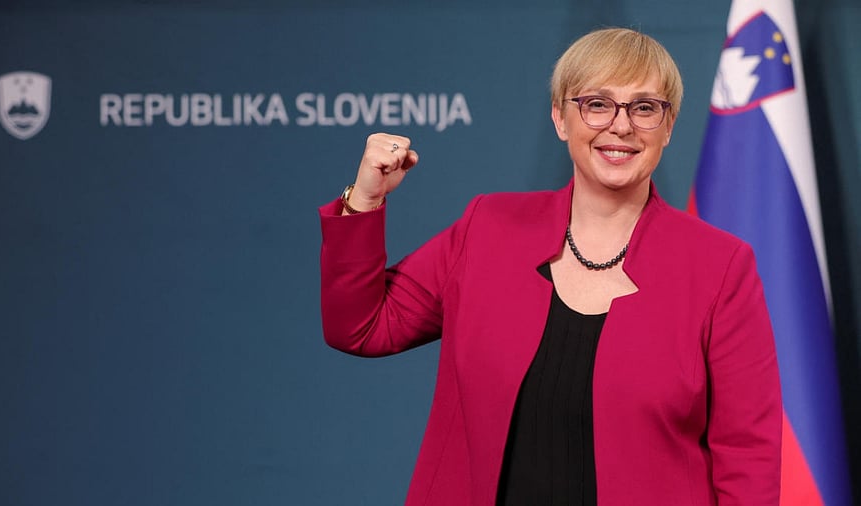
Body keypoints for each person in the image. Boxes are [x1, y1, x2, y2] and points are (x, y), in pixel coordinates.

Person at [318, 27, 782, 506]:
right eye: (597, 104)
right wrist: (365, 202)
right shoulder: (488, 228)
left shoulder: (720, 266)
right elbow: (361, 327)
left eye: (644, 108)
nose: (620, 126)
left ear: (668, 126)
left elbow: (748, 456)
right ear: (561, 119)